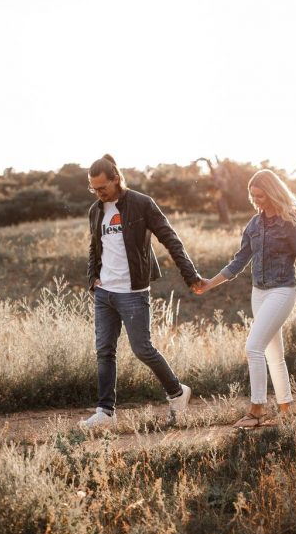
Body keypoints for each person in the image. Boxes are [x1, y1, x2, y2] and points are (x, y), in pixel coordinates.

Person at [80, 154, 209, 430]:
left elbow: (170, 238)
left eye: (102, 188)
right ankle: (105, 412)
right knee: (104, 351)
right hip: (105, 293)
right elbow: (94, 247)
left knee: (142, 349)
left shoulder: (141, 204)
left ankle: (177, 392)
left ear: (116, 179)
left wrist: (190, 275)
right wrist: (93, 278)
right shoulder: (96, 211)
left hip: (133, 291)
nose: (98, 193)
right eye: (93, 189)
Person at [197, 169, 296, 428]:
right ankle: (286, 411)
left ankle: (257, 411)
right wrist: (209, 284)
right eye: (253, 196)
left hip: (282, 291)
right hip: (258, 292)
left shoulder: (291, 221)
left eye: (261, 195)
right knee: (274, 353)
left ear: (273, 192)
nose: (257, 200)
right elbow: (239, 261)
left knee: (253, 347)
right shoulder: (253, 224)